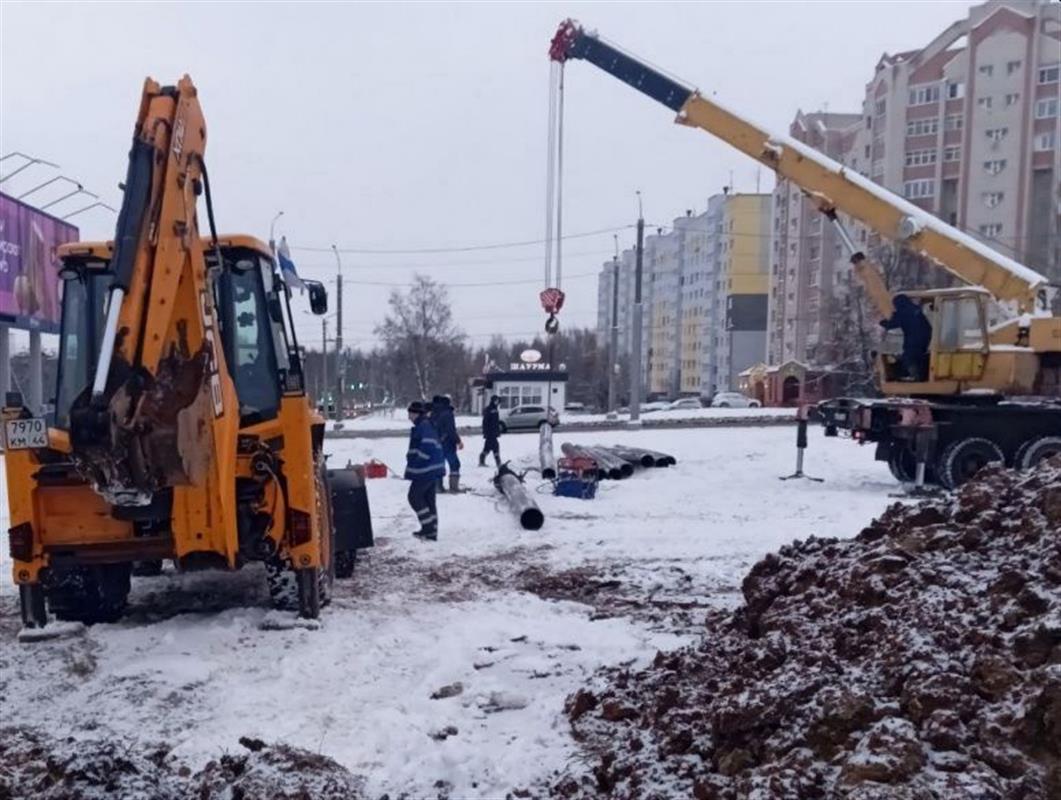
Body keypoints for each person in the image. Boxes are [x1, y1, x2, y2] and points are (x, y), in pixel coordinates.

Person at [405, 400, 445, 541]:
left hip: (426, 469)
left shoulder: (423, 426)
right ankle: (432, 532)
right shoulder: (425, 424)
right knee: (428, 499)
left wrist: (417, 462)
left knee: (414, 497)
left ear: (416, 414)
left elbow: (427, 446)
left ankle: (428, 528)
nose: (408, 417)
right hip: (432, 468)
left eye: (410, 413)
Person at [880, 294, 932, 381]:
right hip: (925, 339)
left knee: (909, 357)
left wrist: (882, 322)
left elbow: (892, 324)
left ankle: (915, 377)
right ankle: (919, 375)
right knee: (918, 357)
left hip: (914, 340)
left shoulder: (904, 311)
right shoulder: (916, 310)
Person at [431, 395, 463, 493]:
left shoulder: (433, 413)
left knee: (439, 465)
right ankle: (454, 487)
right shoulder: (448, 414)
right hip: (447, 443)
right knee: (455, 464)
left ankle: (438, 487)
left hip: (436, 443)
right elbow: (450, 430)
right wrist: (458, 441)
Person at [479, 394, 502, 468]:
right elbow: (485, 422)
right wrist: (485, 432)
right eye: (496, 400)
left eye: (498, 401)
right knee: (495, 446)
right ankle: (498, 462)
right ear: (493, 401)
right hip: (489, 432)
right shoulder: (489, 409)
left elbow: (496, 422)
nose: (497, 402)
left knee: (487, 448)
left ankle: (482, 460)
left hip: (494, 432)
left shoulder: (496, 409)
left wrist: (498, 431)